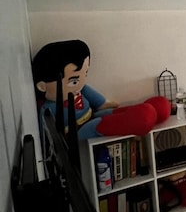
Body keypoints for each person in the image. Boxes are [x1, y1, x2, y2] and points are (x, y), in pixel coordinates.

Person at [32, 39, 169, 139]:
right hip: (74, 133)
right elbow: (46, 135)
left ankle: (153, 110)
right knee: (98, 124)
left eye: (84, 74)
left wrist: (103, 103)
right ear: (42, 86)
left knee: (110, 112)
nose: (80, 83)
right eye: (74, 80)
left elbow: (87, 91)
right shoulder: (48, 108)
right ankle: (140, 120)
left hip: (90, 115)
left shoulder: (79, 89)